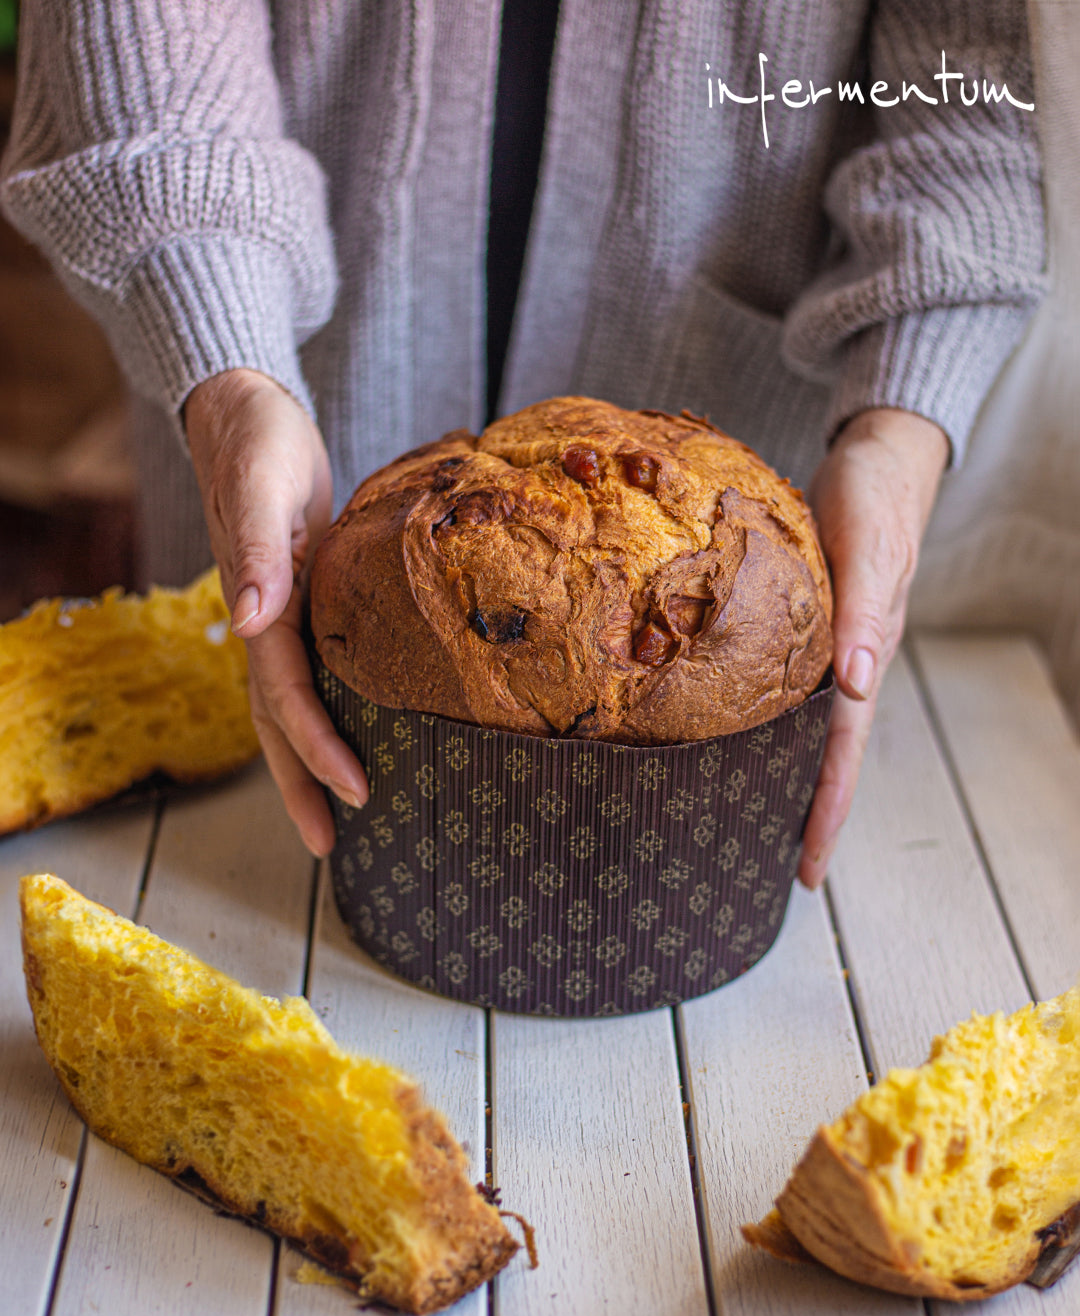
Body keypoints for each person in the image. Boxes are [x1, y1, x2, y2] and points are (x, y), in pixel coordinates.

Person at [2, 1, 1045, 887]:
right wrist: (228, 371)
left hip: (746, 549)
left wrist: (900, 422)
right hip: (267, 500)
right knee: (225, 881)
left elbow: (976, 92)